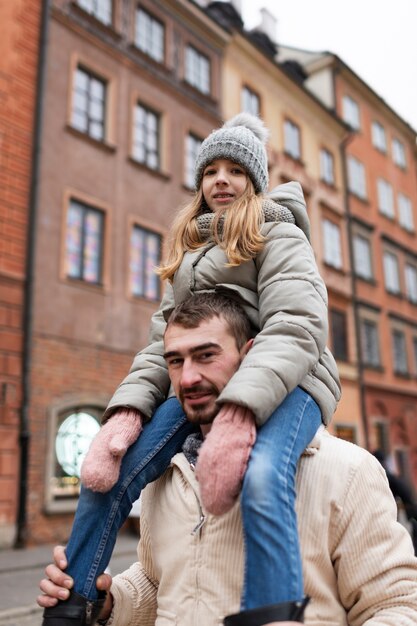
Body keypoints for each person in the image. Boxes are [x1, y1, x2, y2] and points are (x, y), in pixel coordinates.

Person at [42, 113, 341, 626]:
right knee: (108, 473)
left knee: (264, 475)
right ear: (200, 183)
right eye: (211, 171)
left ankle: (272, 616)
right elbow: (164, 340)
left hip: (296, 379)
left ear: (254, 182)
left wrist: (239, 412)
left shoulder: (279, 233)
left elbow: (296, 323)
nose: (221, 179)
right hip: (209, 382)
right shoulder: (188, 253)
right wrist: (126, 414)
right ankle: (74, 604)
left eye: (235, 170)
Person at [38, 293, 417, 626]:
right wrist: (109, 602)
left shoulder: (344, 470)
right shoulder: (167, 474)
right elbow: (161, 584)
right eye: (176, 361)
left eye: (206, 356)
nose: (187, 378)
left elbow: (398, 607)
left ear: (249, 356)